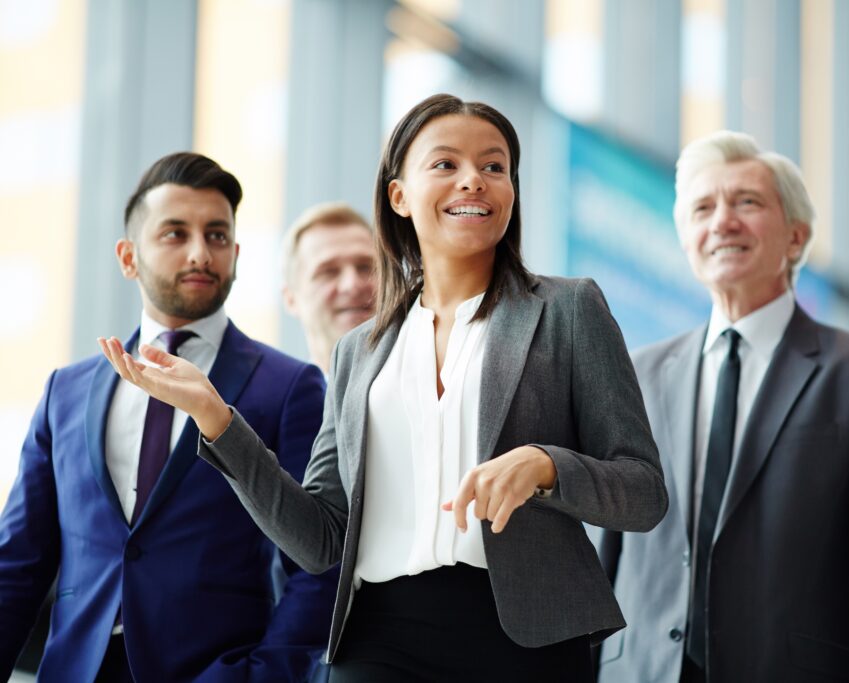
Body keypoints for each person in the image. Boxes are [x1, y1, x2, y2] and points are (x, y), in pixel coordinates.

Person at [98, 94, 668, 682]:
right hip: (380, 640)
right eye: (446, 164)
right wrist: (216, 417)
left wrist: (546, 466)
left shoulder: (568, 310)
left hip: (527, 639)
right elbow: (320, 539)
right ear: (399, 196)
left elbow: (645, 491)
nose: (474, 180)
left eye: (494, 167)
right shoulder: (359, 351)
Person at [598, 131, 849, 682]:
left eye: (747, 202)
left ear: (796, 237)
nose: (723, 222)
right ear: (686, 238)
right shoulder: (637, 373)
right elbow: (605, 558)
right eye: (703, 208)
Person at [0, 152, 336, 682]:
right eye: (175, 234)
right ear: (128, 256)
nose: (201, 252)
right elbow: (18, 560)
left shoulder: (290, 386)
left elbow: (317, 564)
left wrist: (265, 675)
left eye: (218, 235)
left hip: (214, 671)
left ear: (237, 253)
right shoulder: (65, 391)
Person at [281, 202, 376, 373]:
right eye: (329, 272)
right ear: (291, 299)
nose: (352, 285)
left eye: (365, 267)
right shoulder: (274, 398)